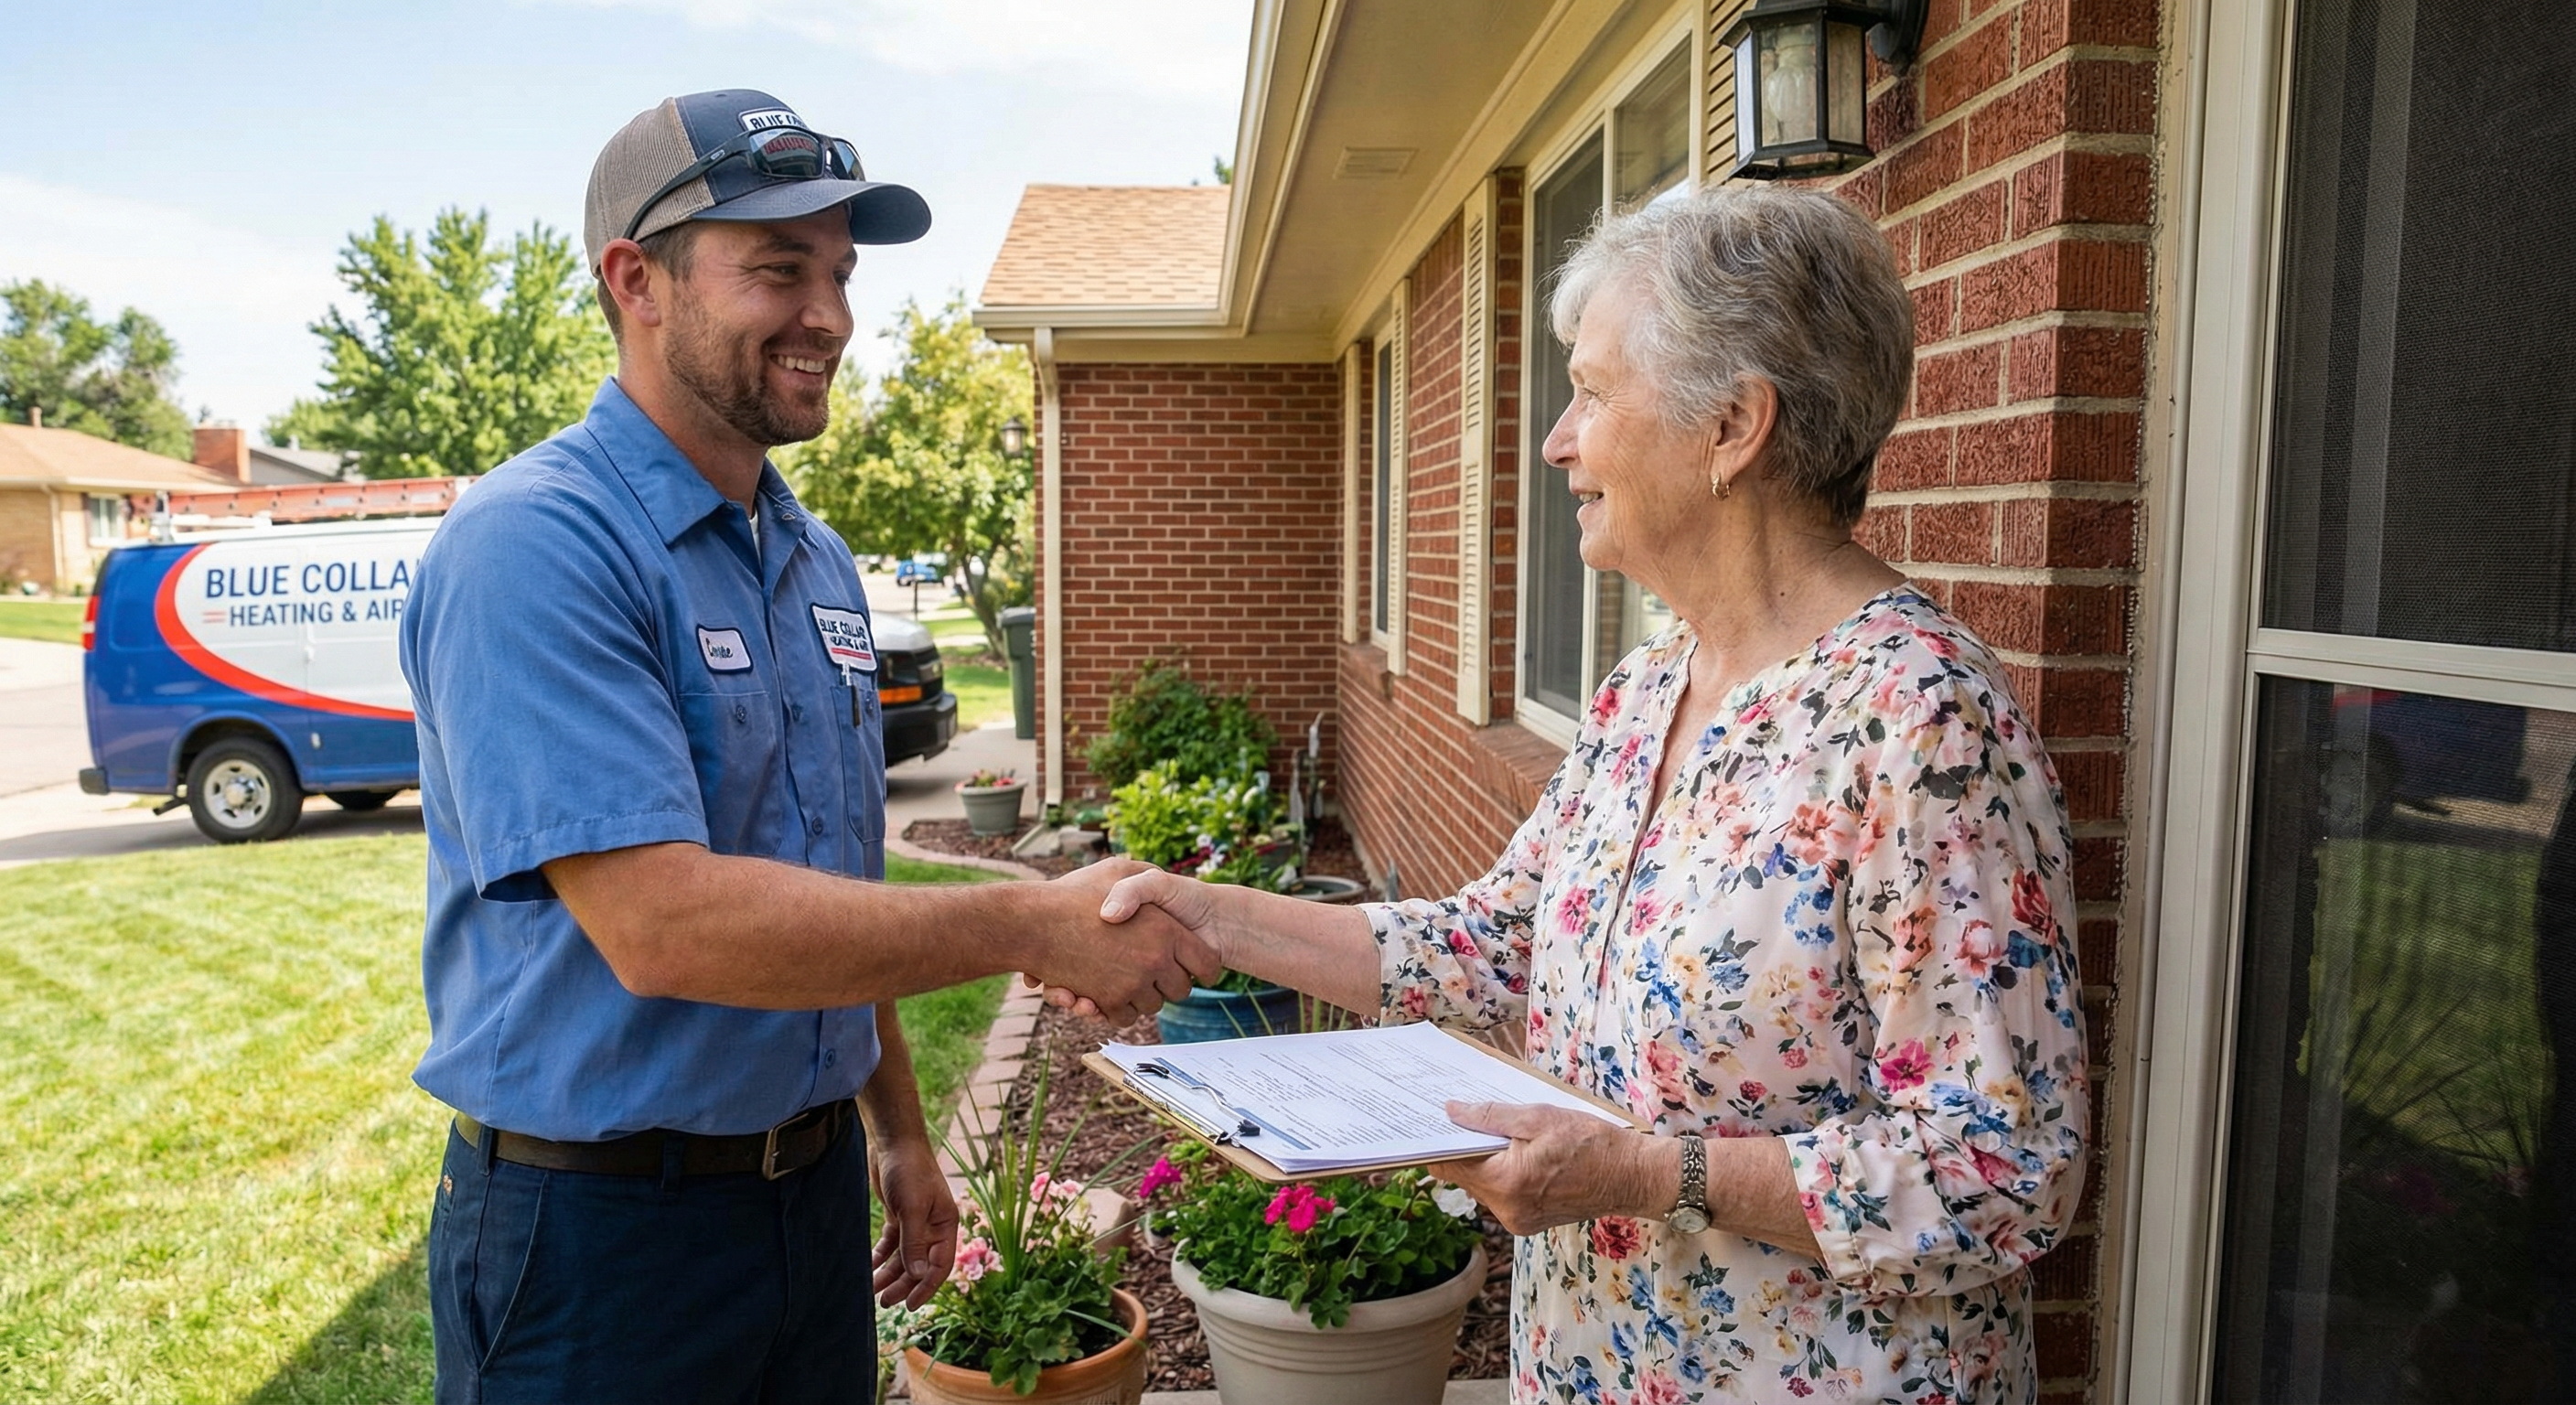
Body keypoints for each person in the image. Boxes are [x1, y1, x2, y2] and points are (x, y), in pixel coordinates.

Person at [1094, 186, 2088, 1402]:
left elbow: (2004, 1167)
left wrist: (1640, 1171)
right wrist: (1214, 920)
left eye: (1595, 392)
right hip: (1595, 1363)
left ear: (1733, 425)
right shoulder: (1645, 689)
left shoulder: (1919, 722)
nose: (1560, 440)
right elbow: (1501, 943)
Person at [401, 90, 1218, 1404]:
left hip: (810, 1202)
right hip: (597, 1238)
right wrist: (1032, 924)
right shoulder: (539, 545)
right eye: (779, 269)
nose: (831, 316)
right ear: (637, 283)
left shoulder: (818, 564)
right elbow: (667, 925)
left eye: (838, 273)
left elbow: (828, 881)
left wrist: (896, 1130)